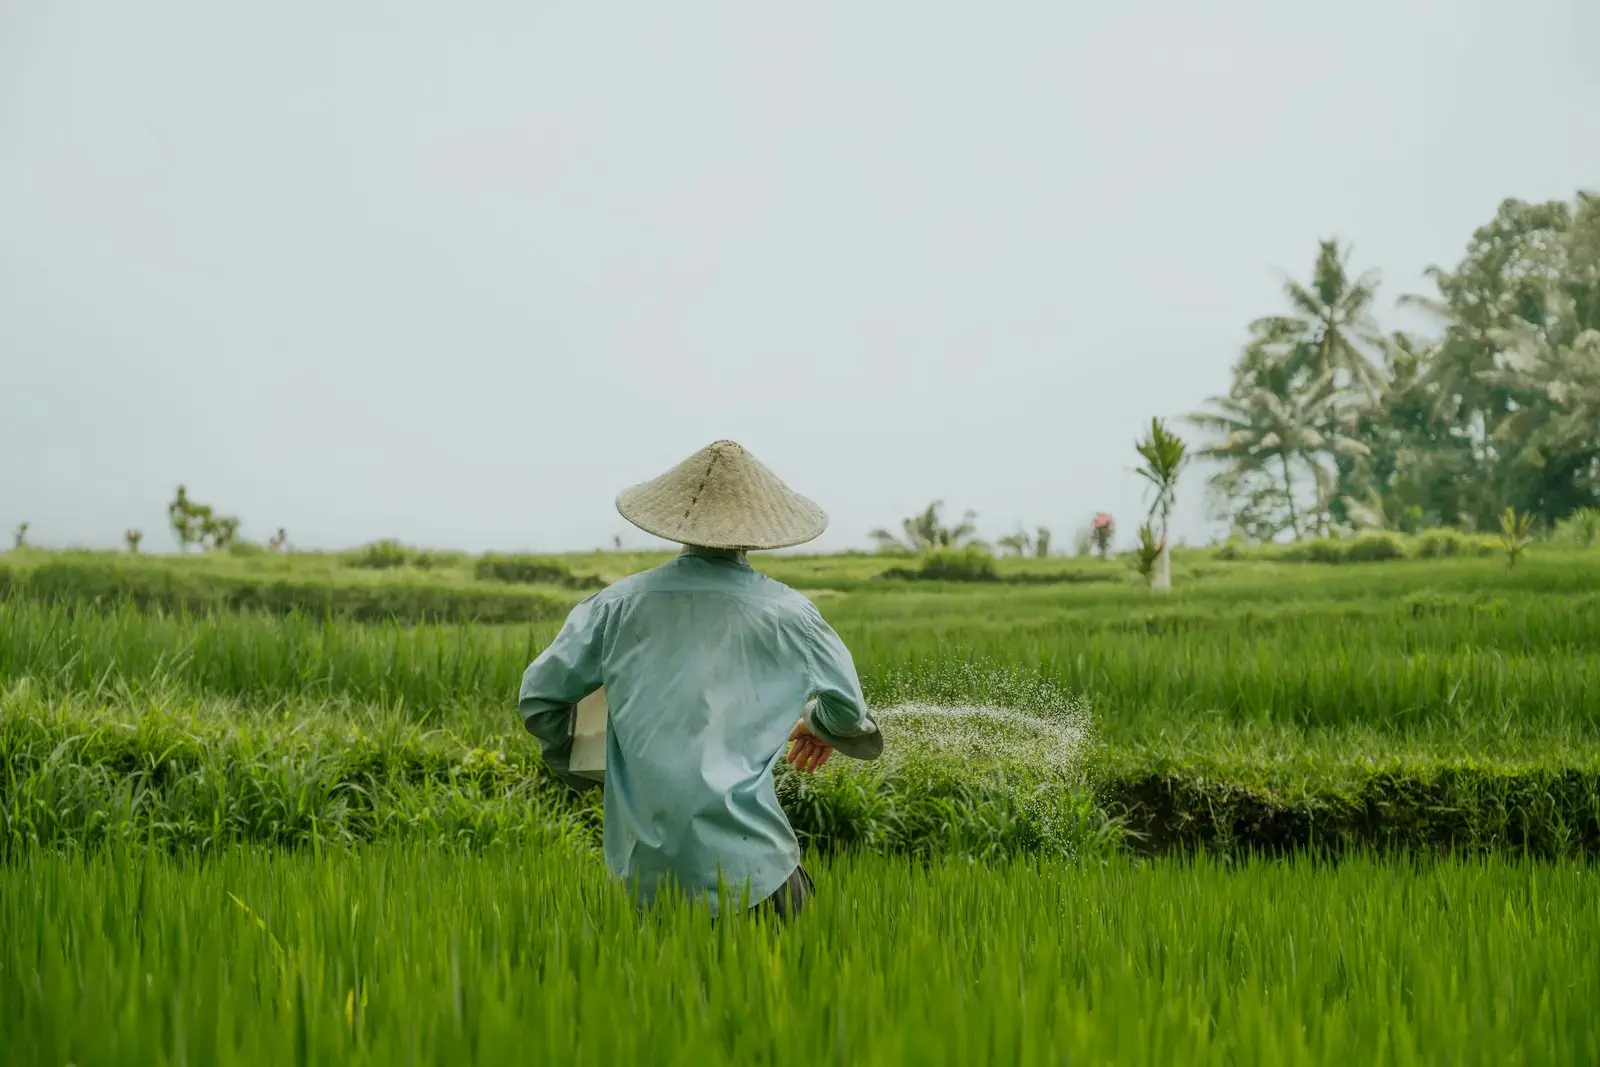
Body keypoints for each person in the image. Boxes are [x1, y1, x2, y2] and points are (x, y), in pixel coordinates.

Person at [518, 439, 883, 920]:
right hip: (757, 874)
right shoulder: (792, 614)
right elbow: (849, 712)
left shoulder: (615, 607)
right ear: (756, 531)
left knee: (650, 994)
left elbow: (539, 699)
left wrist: (582, 759)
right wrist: (820, 724)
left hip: (643, 881)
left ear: (680, 526)